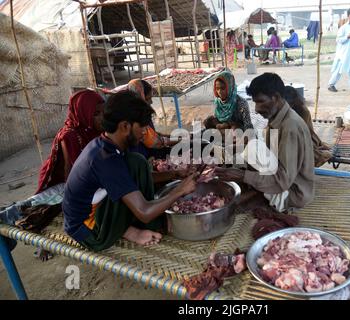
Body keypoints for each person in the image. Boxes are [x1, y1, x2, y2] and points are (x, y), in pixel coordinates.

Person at [62, 91, 198, 251]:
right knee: (145, 208)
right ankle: (133, 229)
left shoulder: (109, 143)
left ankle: (131, 228)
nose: (145, 132)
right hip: (88, 231)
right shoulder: (106, 160)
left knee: (137, 162)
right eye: (142, 126)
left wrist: (175, 173)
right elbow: (145, 211)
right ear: (125, 126)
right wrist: (180, 190)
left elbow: (130, 177)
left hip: (97, 210)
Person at [215, 73, 315, 212]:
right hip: (282, 177)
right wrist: (229, 151)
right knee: (252, 146)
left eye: (261, 101)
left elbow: (282, 181)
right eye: (255, 102)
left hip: (292, 192)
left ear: (277, 98)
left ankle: (270, 198)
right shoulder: (278, 118)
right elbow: (268, 152)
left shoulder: (291, 127)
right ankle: (258, 191)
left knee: (248, 160)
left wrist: (242, 176)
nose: (256, 109)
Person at [36, 89, 104, 194]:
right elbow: (69, 168)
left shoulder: (95, 129)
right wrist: (71, 193)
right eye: (96, 114)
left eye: (104, 112)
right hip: (63, 178)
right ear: (83, 113)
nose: (102, 118)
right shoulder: (69, 136)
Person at [284, 86, 332, 167]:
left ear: (293, 103)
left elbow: (307, 133)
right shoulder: (276, 111)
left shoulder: (302, 111)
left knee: (317, 154)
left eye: (288, 105)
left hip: (298, 141)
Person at [328, 7, 350, 94]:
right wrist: (347, 37)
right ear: (348, 16)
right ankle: (331, 84)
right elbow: (338, 40)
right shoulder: (343, 28)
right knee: (339, 70)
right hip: (344, 54)